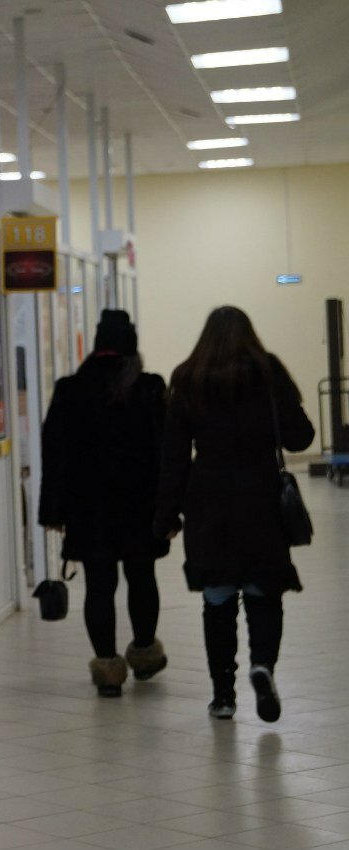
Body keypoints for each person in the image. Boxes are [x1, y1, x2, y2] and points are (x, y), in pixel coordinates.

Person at [155, 306, 314, 722]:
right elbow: (301, 437)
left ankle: (223, 695)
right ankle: (263, 665)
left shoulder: (188, 378)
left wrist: (167, 517)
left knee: (218, 598)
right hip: (261, 498)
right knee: (264, 592)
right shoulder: (268, 372)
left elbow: (174, 457)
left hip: (209, 501)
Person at [40, 309, 170, 697]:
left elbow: (55, 454)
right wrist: (170, 508)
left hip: (88, 508)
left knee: (99, 585)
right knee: (142, 577)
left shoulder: (70, 390)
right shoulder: (148, 388)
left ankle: (108, 670)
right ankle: (144, 655)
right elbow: (165, 452)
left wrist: (53, 511)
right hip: (140, 506)